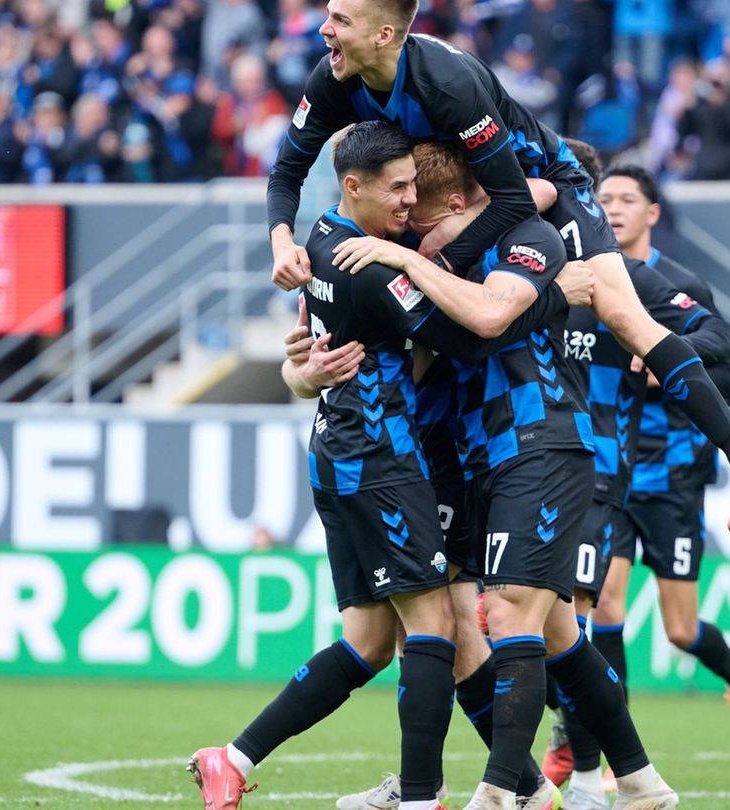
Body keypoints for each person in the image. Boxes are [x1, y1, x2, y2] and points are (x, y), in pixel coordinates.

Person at [263, 0, 730, 535]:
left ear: (383, 34)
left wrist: (440, 260)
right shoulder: (335, 76)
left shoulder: (446, 83)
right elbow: (286, 170)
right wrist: (283, 241)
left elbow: (519, 198)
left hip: (542, 183)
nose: (323, 28)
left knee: (626, 318)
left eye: (339, 20)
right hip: (463, 201)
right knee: (429, 323)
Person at [188, 122, 578, 810]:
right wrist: (549, 294)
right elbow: (469, 335)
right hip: (383, 460)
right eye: (397, 189)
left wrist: (302, 371)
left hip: (345, 455)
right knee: (435, 629)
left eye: (414, 187)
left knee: (370, 641)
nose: (407, 201)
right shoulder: (367, 264)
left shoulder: (322, 243)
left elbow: (307, 356)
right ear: (353, 187)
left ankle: (232, 757)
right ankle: (424, 799)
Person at [330, 138, 680, 810]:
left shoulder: (527, 240)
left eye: (422, 215)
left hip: (540, 443)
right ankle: (640, 781)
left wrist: (408, 256)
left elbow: (491, 310)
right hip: (476, 455)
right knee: (550, 634)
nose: (413, 226)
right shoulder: (444, 259)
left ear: (458, 203)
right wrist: (305, 368)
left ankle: (498, 794)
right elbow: (430, 349)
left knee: (509, 618)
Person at [543, 160, 730, 810]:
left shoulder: (673, 283)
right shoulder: (578, 272)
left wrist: (659, 358)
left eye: (624, 198)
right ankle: (609, 754)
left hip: (670, 474)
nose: (611, 206)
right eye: (602, 196)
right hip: (602, 469)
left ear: (651, 213)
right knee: (602, 605)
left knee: (677, 627)